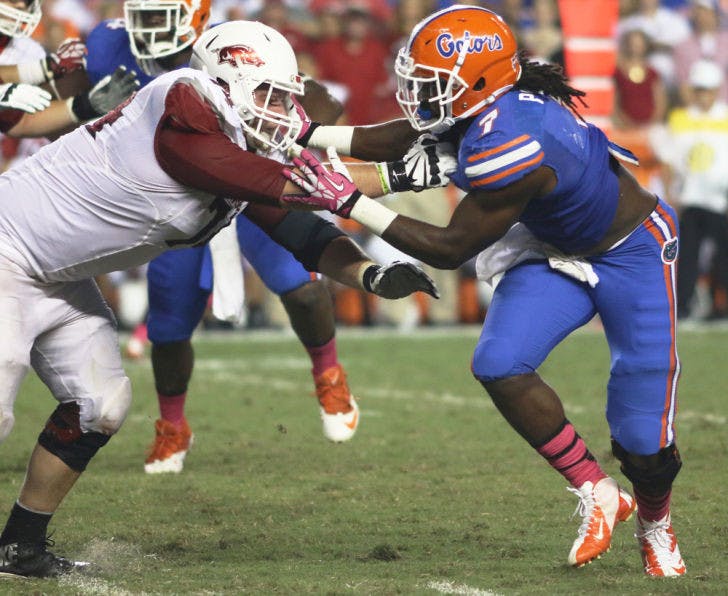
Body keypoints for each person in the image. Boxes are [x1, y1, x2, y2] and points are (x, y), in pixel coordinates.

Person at [0, 19, 438, 578]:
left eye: (285, 96)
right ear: (223, 82)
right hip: (7, 248)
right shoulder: (180, 101)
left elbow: (303, 234)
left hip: (58, 275)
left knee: (100, 405)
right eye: (267, 94)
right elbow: (283, 183)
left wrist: (372, 277)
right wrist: (394, 175)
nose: (280, 111)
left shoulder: (234, 147)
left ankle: (20, 546)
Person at [284, 5, 686, 578]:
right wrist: (307, 133)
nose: (418, 94)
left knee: (641, 432)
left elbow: (451, 247)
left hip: (632, 254)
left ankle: (656, 524)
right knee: (499, 361)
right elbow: (410, 134)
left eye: (432, 84)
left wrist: (351, 202)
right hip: (555, 246)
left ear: (478, 81)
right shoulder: (492, 103)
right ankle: (597, 490)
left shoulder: (514, 139)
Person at [85, 0, 365, 475]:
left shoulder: (232, 47)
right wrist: (80, 102)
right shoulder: (109, 45)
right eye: (145, 16)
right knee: (170, 328)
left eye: (162, 17)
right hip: (180, 202)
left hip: (251, 188)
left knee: (302, 287)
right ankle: (173, 427)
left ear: (195, 18)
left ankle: (329, 373)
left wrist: (293, 129)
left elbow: (324, 102)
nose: (150, 29)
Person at [651, 59, 728, 320]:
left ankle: (721, 305)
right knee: (688, 255)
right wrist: (671, 192)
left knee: (723, 255)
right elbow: (669, 160)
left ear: (716, 90)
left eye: (707, 89)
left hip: (721, 198)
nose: (703, 95)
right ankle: (682, 305)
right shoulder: (680, 119)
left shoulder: (725, 116)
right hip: (691, 197)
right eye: (699, 89)